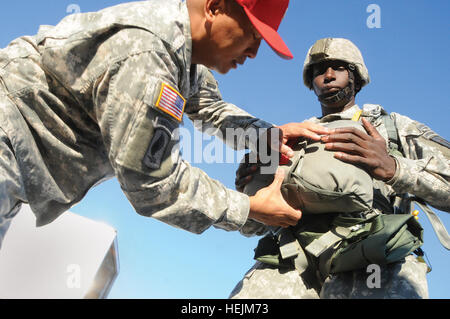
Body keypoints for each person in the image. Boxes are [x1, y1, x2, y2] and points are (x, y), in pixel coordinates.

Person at [0, 0, 331, 249]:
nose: (256, 52)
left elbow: (208, 107)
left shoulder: (181, 54)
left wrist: (266, 136)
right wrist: (248, 208)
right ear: (215, 7)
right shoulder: (149, 54)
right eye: (253, 33)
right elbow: (150, 181)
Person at [230, 38, 450, 299]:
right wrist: (249, 193)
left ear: (356, 76)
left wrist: (394, 168)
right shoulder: (293, 136)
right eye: (319, 71)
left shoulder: (392, 128)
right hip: (292, 261)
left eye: (339, 68)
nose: (328, 75)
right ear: (311, 83)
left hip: (372, 261)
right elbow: (253, 228)